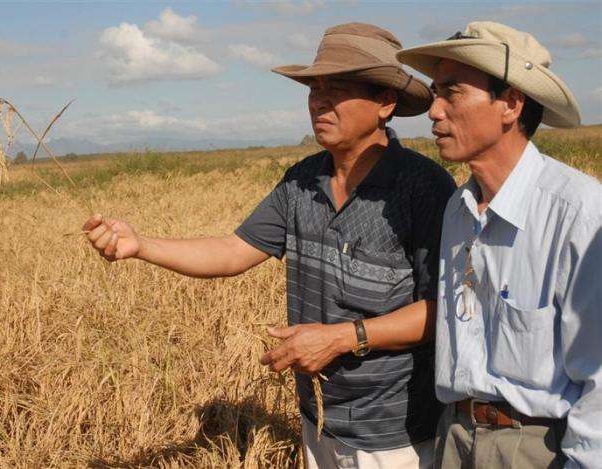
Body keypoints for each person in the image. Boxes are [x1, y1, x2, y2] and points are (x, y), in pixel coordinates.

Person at [83, 23, 455, 468]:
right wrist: (140, 244)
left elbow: (443, 311)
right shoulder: (301, 181)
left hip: (396, 435)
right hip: (318, 418)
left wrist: (340, 339)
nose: (320, 100)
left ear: (385, 103)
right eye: (315, 88)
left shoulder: (424, 189)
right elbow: (233, 251)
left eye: (338, 88)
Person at [397, 21, 602, 468]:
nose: (434, 111)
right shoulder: (458, 208)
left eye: (451, 92)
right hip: (455, 436)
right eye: (434, 93)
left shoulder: (579, 211)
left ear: (510, 104)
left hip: (537, 449)